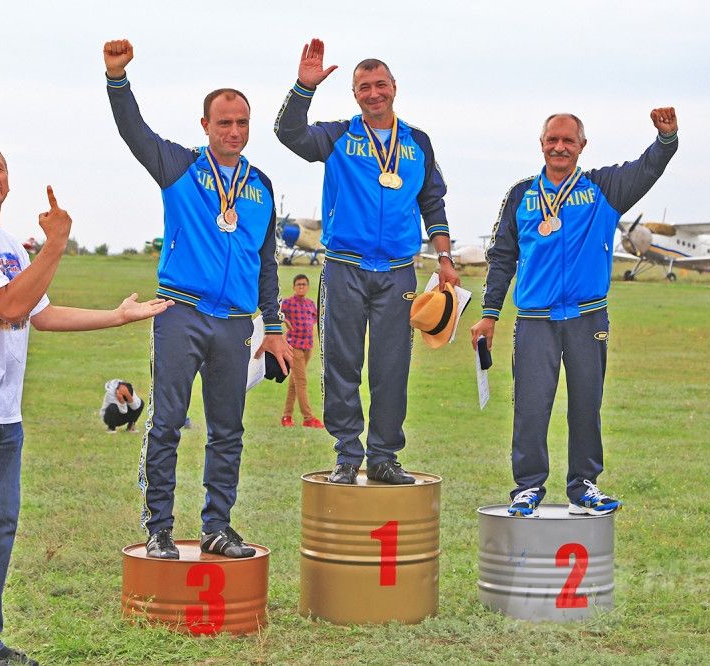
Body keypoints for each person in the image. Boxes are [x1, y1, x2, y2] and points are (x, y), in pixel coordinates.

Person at [0, 142, 169, 666]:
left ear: (8, 181)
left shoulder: (8, 244)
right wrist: (56, 244)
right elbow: (8, 303)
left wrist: (117, 317)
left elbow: (40, 314)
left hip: (2, 412)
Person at [103, 39, 293, 561]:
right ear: (206, 125)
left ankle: (217, 526)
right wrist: (117, 78)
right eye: (224, 123)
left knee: (228, 430)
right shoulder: (179, 166)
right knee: (167, 422)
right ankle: (159, 528)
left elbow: (266, 261)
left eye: (241, 124)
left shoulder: (261, 185)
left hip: (235, 323)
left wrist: (272, 326)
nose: (233, 132)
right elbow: (133, 132)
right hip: (180, 312)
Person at [470, 108, 679, 517]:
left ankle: (584, 484)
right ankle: (527, 487)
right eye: (553, 139)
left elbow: (648, 167)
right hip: (535, 320)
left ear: (582, 146)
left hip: (587, 317)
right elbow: (502, 258)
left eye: (568, 140)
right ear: (542, 144)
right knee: (531, 405)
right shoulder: (521, 194)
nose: (560, 147)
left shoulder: (605, 188)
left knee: (587, 402)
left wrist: (666, 138)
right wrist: (489, 313)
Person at [275, 39, 459, 485]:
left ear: (394, 87)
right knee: (341, 363)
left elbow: (432, 202)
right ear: (354, 94)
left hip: (399, 271)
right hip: (344, 267)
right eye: (364, 87)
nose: (373, 93)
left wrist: (446, 255)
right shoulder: (337, 136)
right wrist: (303, 87)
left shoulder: (417, 143)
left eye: (380, 84)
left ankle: (383, 456)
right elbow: (288, 133)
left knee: (391, 367)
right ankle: (346, 454)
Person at [280, 274, 322, 428]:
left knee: (295, 383)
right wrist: (285, 322)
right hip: (295, 346)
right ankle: (308, 418)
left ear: (308, 287)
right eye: (298, 284)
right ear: (294, 287)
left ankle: (287, 416)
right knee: (302, 382)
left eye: (304, 284)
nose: (301, 287)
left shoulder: (310, 304)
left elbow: (316, 319)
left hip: (308, 347)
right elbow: (277, 313)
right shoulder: (288, 303)